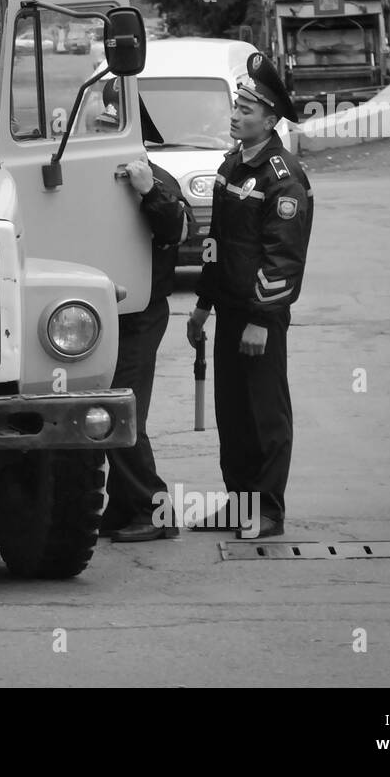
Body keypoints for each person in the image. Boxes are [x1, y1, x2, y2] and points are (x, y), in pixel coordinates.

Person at [186, 52, 314, 539]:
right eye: (236, 105)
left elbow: (283, 257)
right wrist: (202, 304)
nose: (236, 115)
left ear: (270, 118)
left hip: (262, 315)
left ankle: (268, 510)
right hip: (229, 311)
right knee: (233, 413)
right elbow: (215, 243)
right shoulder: (232, 166)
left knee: (265, 414)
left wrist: (262, 318)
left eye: (246, 109)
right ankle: (240, 501)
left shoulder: (283, 177)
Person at [100, 123, 191, 542]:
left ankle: (153, 511)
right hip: (102, 313)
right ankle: (123, 507)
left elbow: (176, 230)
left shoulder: (155, 178)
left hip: (140, 313)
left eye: (106, 123)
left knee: (124, 411)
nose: (98, 130)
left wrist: (149, 191)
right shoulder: (100, 175)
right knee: (107, 409)